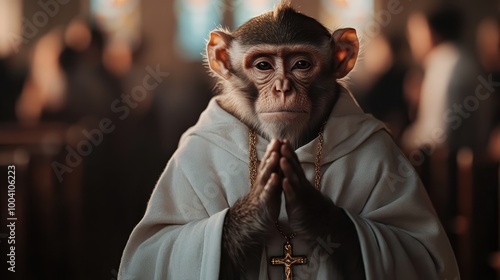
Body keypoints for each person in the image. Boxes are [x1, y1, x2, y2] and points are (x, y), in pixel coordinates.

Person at [119, 3, 459, 279]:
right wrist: (234, 228)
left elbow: (429, 265)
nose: (283, 86)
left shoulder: (369, 149)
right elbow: (145, 265)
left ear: (342, 58)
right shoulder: (203, 149)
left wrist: (334, 226)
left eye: (300, 64)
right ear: (223, 60)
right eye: (263, 65)